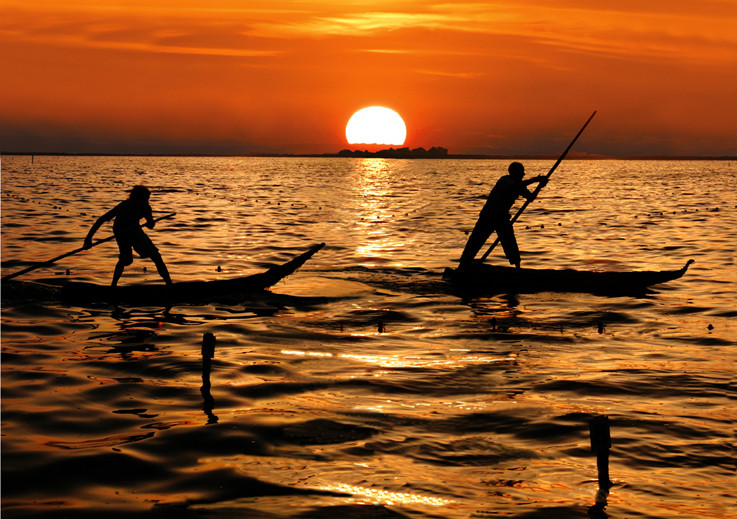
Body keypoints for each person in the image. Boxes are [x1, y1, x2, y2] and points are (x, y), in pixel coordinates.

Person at [459, 162, 547, 268]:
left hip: (502, 218)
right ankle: (463, 266)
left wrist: (540, 186)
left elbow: (531, 198)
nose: (523, 174)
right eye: (521, 172)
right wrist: (535, 180)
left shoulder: (520, 185)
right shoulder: (505, 180)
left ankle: (517, 267)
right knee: (476, 242)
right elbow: (514, 186)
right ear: (514, 173)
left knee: (510, 243)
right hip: (488, 216)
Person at [84, 185, 172, 287]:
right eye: (145, 199)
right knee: (127, 259)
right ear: (136, 197)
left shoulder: (145, 207)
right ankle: (113, 286)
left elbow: (151, 224)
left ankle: (169, 284)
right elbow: (102, 219)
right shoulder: (124, 205)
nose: (147, 201)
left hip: (134, 229)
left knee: (155, 256)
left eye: (147, 199)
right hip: (121, 231)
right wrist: (88, 238)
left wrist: (150, 223)